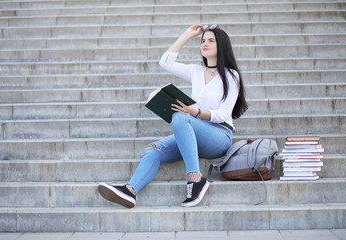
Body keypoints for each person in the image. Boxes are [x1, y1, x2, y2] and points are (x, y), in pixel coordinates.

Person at [98, 24, 248, 208]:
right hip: (194, 132)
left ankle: (195, 179)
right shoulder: (196, 72)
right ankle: (130, 191)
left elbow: (224, 113)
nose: (205, 43)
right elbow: (165, 62)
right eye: (202, 41)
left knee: (180, 116)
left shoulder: (231, 76)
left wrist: (197, 112)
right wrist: (187, 35)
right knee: (154, 149)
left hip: (219, 136)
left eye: (211, 40)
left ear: (222, 45)